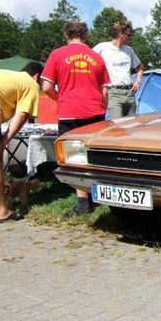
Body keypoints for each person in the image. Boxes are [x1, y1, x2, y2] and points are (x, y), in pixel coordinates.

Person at [41, 20, 111, 218]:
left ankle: (82, 202)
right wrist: (102, 106)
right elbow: (105, 88)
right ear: (85, 35)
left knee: (74, 157)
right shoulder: (97, 57)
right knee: (94, 154)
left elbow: (46, 87)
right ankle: (99, 193)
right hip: (95, 112)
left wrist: (60, 98)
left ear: (66, 35)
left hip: (69, 112)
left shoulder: (57, 54)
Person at [0, 62, 43, 222]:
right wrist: (4, 141)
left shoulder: (10, 77)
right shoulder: (30, 84)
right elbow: (23, 115)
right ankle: (1, 211)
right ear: (37, 76)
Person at [93, 21, 144, 119]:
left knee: (131, 126)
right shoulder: (102, 48)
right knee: (117, 128)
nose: (130, 37)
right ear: (121, 34)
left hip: (129, 93)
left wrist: (138, 81)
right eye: (128, 34)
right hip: (113, 93)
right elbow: (89, 62)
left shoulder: (128, 50)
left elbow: (140, 67)